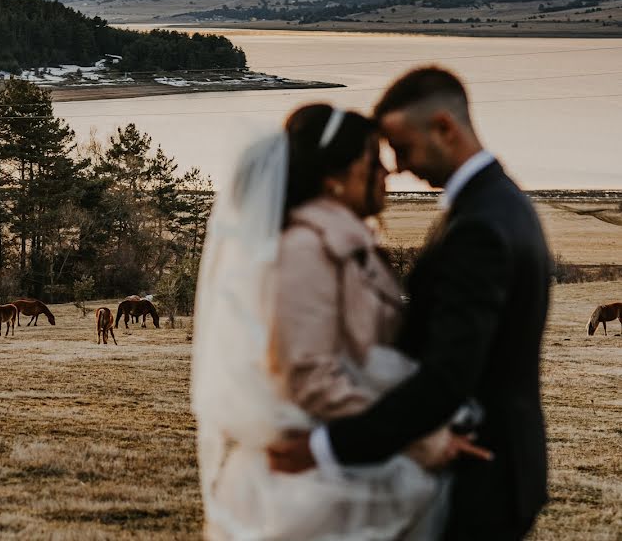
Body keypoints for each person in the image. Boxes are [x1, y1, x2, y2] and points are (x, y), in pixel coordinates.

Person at [268, 67, 552, 540]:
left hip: (482, 469)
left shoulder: (479, 225)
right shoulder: (497, 204)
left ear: (444, 128)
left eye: (400, 148)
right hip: (485, 464)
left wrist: (326, 447)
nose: (395, 166)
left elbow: (448, 376)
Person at [192, 104, 468, 540]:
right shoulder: (303, 251)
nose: (386, 173)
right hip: (310, 493)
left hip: (348, 471)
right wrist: (420, 440)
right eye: (371, 161)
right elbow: (311, 376)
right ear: (333, 177)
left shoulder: (345, 247)